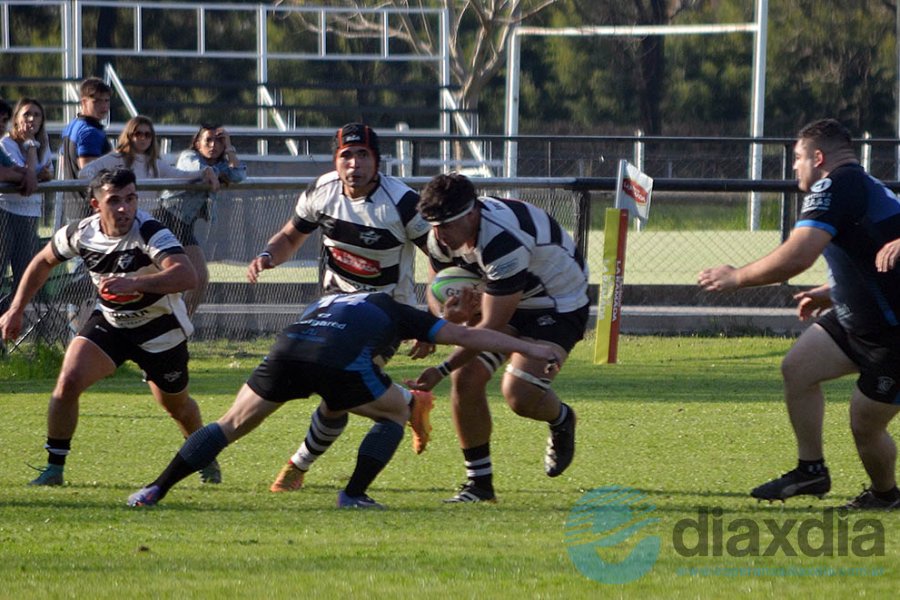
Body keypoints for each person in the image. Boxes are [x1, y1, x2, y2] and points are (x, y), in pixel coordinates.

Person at [126, 291, 562, 509]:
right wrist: (532, 348)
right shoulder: (397, 310)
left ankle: (154, 489)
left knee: (230, 424)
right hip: (336, 359)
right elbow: (465, 335)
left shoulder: (329, 298)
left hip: (287, 348)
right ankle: (353, 494)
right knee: (398, 410)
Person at [698, 118, 900, 510]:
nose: (794, 167)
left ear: (818, 157)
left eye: (797, 158)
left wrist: (737, 276)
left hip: (891, 333)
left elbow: (799, 254)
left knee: (865, 423)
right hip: (856, 318)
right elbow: (873, 254)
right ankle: (812, 470)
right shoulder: (862, 186)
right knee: (799, 368)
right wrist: (832, 292)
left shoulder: (833, 185)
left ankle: (885, 495)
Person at [246, 122, 436, 493]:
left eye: (362, 155)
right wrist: (269, 255)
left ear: (378, 161)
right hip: (333, 305)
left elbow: (438, 261)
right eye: (346, 156)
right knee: (337, 392)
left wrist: (429, 320)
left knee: (337, 392)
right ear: (336, 160)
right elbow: (290, 236)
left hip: (385, 314)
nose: (354, 164)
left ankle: (298, 467)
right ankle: (411, 404)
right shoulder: (322, 190)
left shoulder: (402, 203)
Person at [0, 168, 221, 486]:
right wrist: (16, 309)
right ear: (95, 204)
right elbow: (43, 261)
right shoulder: (81, 232)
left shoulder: (151, 232)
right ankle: (54, 469)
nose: (124, 208)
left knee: (177, 407)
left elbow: (187, 276)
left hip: (159, 328)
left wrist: (134, 282)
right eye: (115, 200)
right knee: (68, 382)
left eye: (130, 199)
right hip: (112, 323)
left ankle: (205, 457)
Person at [409, 172, 589, 503]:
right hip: (508, 295)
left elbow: (491, 327)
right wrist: (442, 317)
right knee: (467, 378)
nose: (439, 235)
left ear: (472, 212)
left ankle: (562, 419)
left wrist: (440, 369)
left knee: (519, 393)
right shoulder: (442, 232)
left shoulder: (502, 243)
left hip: (557, 305)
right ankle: (480, 486)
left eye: (446, 225)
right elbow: (438, 283)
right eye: (434, 226)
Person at [156, 123, 247, 315]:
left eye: (219, 141)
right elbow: (201, 171)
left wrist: (230, 148)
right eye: (208, 140)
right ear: (198, 143)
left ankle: (181, 321)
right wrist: (218, 175)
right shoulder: (189, 157)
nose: (213, 145)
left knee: (200, 277)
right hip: (166, 219)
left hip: (184, 226)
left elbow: (239, 175)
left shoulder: (220, 164)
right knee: (162, 275)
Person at [80, 115, 219, 213]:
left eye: (147, 135)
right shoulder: (115, 158)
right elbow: (86, 172)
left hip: (147, 218)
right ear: (129, 136)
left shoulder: (155, 163)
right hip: (121, 216)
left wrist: (206, 172)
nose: (143, 138)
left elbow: (180, 176)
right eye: (138, 134)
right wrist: (107, 188)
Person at [0, 98, 53, 313]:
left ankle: (7, 316)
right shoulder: (6, 143)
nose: (31, 119)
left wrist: (30, 172)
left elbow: (45, 173)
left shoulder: (44, 142)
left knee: (25, 274)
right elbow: (27, 179)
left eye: (37, 115)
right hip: (6, 212)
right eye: (26, 114)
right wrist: (30, 147)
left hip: (30, 213)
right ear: (17, 119)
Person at [58, 77, 113, 218]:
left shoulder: (72, 125)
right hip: (88, 210)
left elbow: (63, 162)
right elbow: (89, 173)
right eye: (97, 101)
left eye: (106, 101)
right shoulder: (90, 131)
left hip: (71, 206)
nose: (104, 106)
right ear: (84, 102)